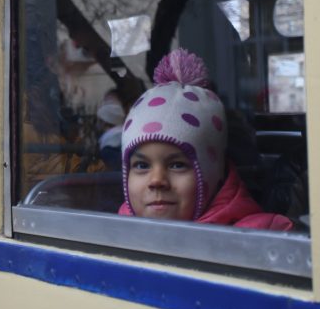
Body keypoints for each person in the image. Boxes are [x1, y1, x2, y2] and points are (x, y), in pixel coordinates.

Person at [118, 49, 292, 230]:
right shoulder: (115, 233)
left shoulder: (259, 238)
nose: (156, 180)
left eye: (177, 165)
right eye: (141, 165)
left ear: (212, 173)